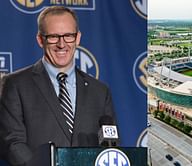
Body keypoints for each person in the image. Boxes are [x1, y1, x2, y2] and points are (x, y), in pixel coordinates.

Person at [0, 6, 117, 165]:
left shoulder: (100, 91)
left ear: (78, 38)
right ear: (40, 40)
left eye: (68, 35)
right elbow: (12, 142)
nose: (62, 44)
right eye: (54, 36)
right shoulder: (15, 84)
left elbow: (110, 146)